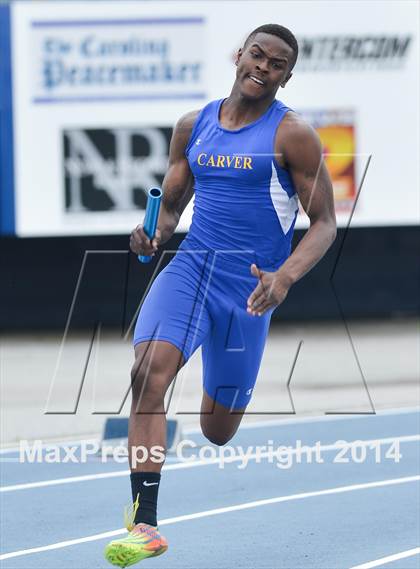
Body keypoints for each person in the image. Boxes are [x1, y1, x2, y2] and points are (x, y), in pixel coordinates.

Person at [105, 23, 336, 567]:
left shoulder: (293, 135)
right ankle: (145, 524)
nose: (263, 67)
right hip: (191, 270)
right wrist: (153, 234)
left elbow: (325, 222)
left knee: (217, 430)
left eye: (277, 64)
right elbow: (171, 206)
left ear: (287, 75)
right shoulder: (193, 126)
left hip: (250, 290)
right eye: (257, 54)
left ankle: (225, 400)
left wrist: (284, 277)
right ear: (239, 55)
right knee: (147, 373)